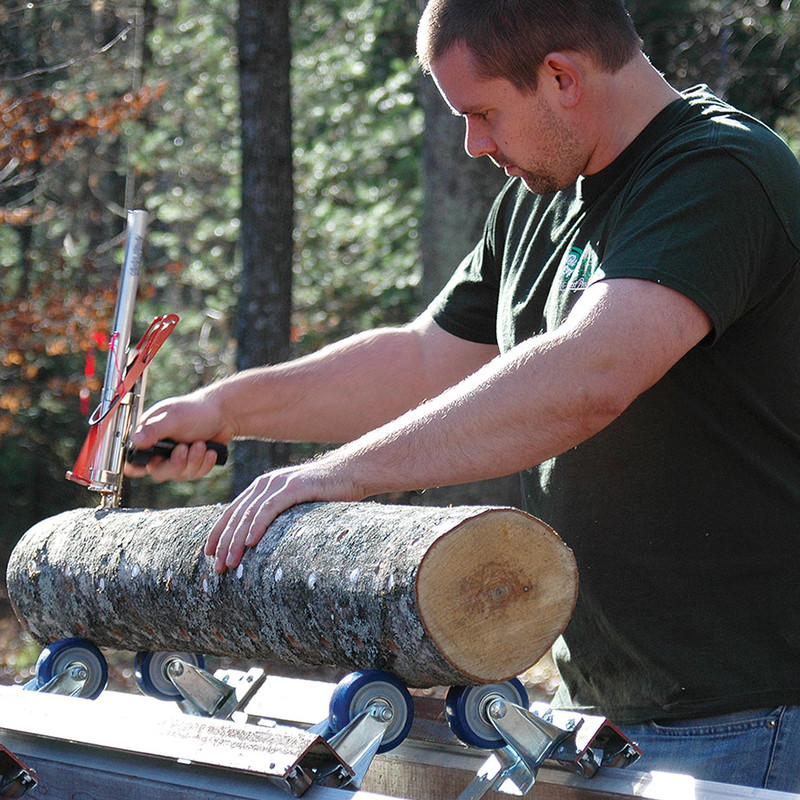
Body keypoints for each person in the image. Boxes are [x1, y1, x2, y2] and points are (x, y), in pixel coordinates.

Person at [126, 0, 800, 790]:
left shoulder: (718, 174)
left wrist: (339, 474)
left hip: (750, 717)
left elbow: (589, 377)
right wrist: (224, 411)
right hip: (608, 711)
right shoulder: (540, 195)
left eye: (483, 114)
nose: (474, 145)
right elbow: (421, 360)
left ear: (561, 77)